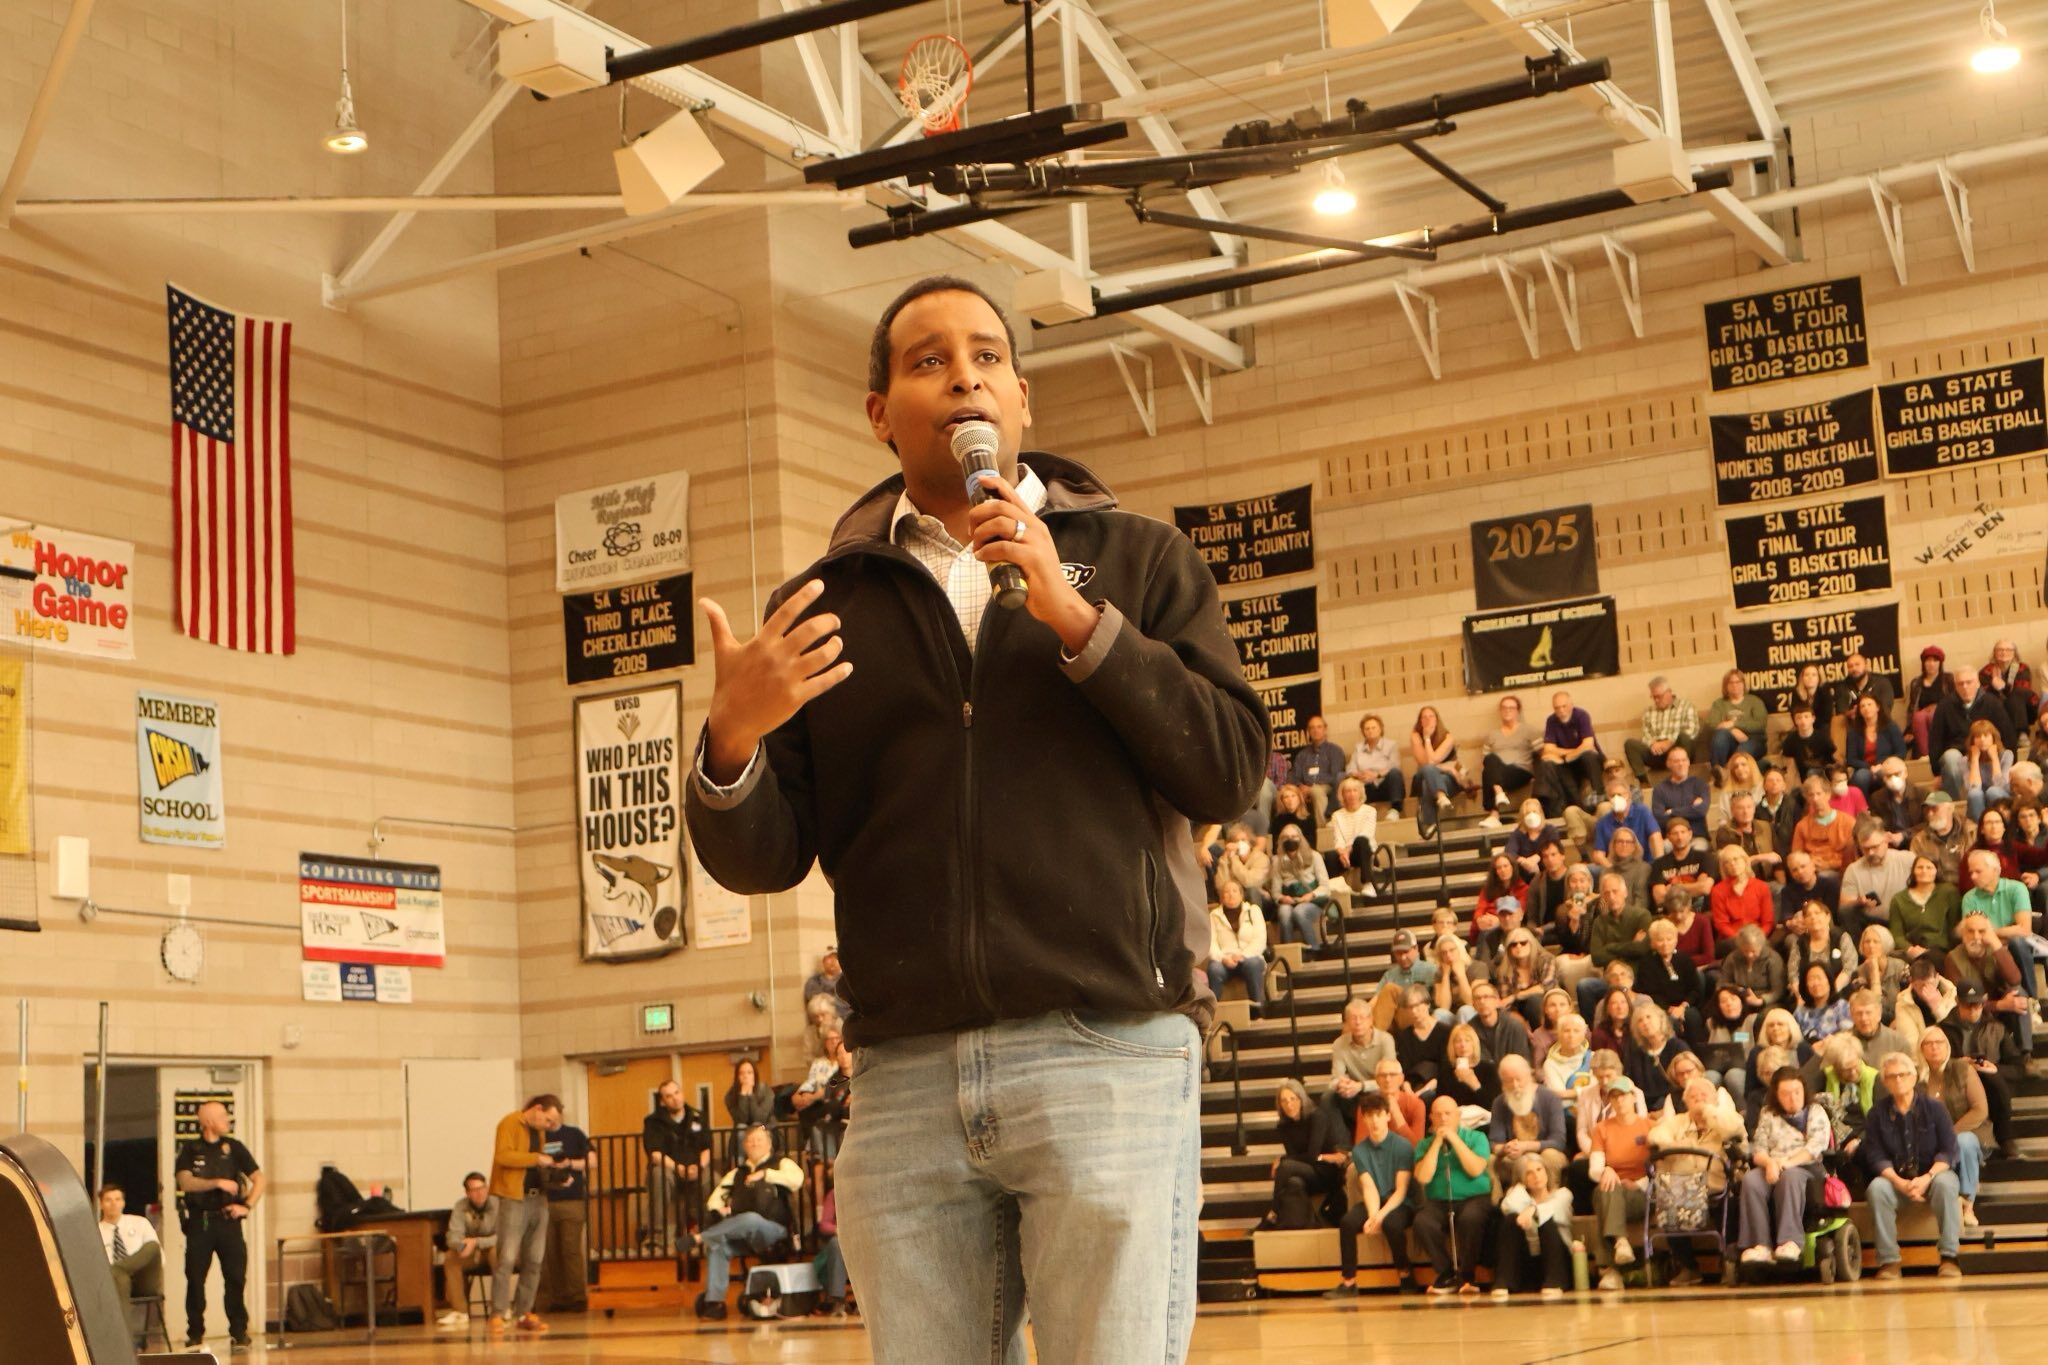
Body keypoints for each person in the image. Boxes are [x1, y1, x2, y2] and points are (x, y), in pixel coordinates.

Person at [686, 278, 1269, 1359]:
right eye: (928, 360)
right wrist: (731, 742)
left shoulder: (1139, 559)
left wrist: (1077, 619)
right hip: (904, 1076)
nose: (964, 376)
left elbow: (1228, 769)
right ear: (879, 412)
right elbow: (764, 856)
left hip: (1105, 1047)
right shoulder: (823, 606)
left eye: (988, 356)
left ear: (1022, 400)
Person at [1864, 1052, 1965, 1280]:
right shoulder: (1876, 1114)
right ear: (1885, 1082)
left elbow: (1949, 1150)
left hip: (1932, 1176)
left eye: (1903, 1074)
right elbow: (1875, 1155)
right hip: (1897, 1180)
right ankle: (1889, 1261)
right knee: (1877, 1188)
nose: (1898, 1080)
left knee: (1947, 1183)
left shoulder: (1935, 1109)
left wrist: (1926, 1178)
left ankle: (1949, 1257)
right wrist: (1899, 1182)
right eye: (1892, 1076)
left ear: (1914, 1077)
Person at [171, 1100, 263, 1350]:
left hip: (228, 1222)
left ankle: (239, 1331)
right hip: (200, 1222)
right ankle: (195, 1332)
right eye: (223, 1116)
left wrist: (247, 1206)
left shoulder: (234, 1148)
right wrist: (218, 1183)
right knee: (195, 1278)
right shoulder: (190, 1150)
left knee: (235, 1277)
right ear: (209, 1122)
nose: (227, 1120)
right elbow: (186, 1182)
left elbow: (259, 1179)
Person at [694, 1124, 804, 1319]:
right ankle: (714, 1302)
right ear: (744, 1146)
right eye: (750, 1141)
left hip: (775, 1230)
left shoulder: (782, 1163)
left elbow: (797, 1180)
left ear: (769, 1144)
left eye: (759, 1140)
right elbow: (715, 1199)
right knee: (717, 1245)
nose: (754, 1144)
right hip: (744, 1235)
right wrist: (718, 1210)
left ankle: (700, 1237)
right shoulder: (737, 1173)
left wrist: (766, 1174)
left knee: (751, 1219)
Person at [1325, 1092, 1419, 1297]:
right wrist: (1373, 1215)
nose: (1374, 1120)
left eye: (1378, 1114)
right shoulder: (1360, 1150)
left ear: (1387, 1116)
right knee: (1348, 1222)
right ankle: (1349, 1281)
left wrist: (1380, 1217)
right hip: (1375, 1200)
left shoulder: (1402, 1146)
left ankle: (1405, 1274)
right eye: (1369, 1115)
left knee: (1392, 1224)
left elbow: (1401, 1190)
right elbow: (1369, 1187)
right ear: (1364, 1119)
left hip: (1400, 1202)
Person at [1735, 1068, 1829, 1265]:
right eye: (1785, 1094)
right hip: (1773, 1164)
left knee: (1790, 1177)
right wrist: (1770, 1163)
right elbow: (1759, 1149)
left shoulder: (1815, 1111)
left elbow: (1815, 1147)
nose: (1792, 1098)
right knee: (1751, 1180)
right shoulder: (1768, 1114)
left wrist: (1785, 1164)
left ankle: (1790, 1241)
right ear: (1776, 1095)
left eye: (1797, 1092)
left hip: (1804, 1166)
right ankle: (1760, 1245)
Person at [486, 1095, 562, 1336]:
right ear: (537, 1109)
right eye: (548, 1120)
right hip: (513, 1198)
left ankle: (523, 1312)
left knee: (535, 1259)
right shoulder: (510, 1123)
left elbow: (537, 1164)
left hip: (538, 1198)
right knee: (507, 1257)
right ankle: (498, 1313)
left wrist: (554, 1173)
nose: (548, 1126)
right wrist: (535, 1158)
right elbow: (503, 1156)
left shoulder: (539, 1132)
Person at [1412, 1096, 1493, 1295]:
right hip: (1438, 1201)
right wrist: (1437, 1143)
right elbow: (1423, 1177)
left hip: (1474, 1198)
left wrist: (1454, 1140)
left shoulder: (1477, 1138)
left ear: (1458, 1116)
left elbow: (1475, 1169)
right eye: (1438, 1114)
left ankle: (1467, 1273)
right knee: (1423, 1222)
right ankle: (1445, 1272)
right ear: (1431, 1118)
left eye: (1448, 1114)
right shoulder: (1424, 1145)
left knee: (1471, 1218)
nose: (1443, 1118)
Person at [1585, 1078, 1655, 1289]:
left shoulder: (1649, 1127)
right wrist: (1606, 1170)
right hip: (1612, 1187)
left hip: (1640, 1193)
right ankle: (1621, 1242)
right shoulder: (1601, 1129)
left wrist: (1640, 1183)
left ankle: (1609, 1270)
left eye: (1623, 1095)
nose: (1619, 1101)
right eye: (1614, 1097)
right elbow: (1595, 1168)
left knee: (1604, 1199)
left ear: (1633, 1097)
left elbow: (1661, 1167)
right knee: (1607, 1189)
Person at [1918, 1027, 1988, 1228]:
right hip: (1932, 1140)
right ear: (1921, 1049)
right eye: (1929, 1043)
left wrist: (1950, 1134)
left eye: (1939, 1042)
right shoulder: (1917, 1078)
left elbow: (1980, 1110)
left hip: (1967, 1133)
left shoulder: (1962, 1069)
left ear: (1947, 1046)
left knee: (1963, 1141)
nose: (1934, 1047)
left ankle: (1968, 1205)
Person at [1941, 981, 2021, 1155]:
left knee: (1993, 1079)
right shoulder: (1944, 1030)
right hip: (1957, 1082)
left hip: (1990, 1082)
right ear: (1957, 1002)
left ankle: (2004, 1137)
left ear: (1983, 1003)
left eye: (1977, 1005)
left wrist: (1994, 1068)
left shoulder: (1996, 1028)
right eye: (1967, 1005)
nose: (1972, 1010)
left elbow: (2017, 1068)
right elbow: (1934, 1063)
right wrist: (1958, 1063)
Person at [1960, 846, 2040, 1007]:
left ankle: (2032, 1000)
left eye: (1978, 871)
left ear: (1995, 870)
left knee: (2017, 942)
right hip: (1987, 949)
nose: (1973, 876)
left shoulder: (2016, 888)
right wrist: (2004, 933)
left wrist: (1989, 932)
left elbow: (2024, 929)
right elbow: (1971, 934)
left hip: (2016, 946)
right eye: (1971, 872)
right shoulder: (1969, 898)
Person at [1492, 1153, 1575, 1300]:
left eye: (1539, 1169)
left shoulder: (1563, 1194)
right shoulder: (1520, 1197)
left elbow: (1553, 1209)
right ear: (1522, 1179)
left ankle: (1555, 1282)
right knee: (1511, 1220)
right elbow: (1507, 1207)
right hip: (1530, 1259)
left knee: (1546, 1222)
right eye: (1529, 1173)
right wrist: (1518, 1188)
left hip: (1557, 1259)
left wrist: (1533, 1209)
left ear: (1546, 1172)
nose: (1536, 1176)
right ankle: (1504, 1281)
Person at [642, 1080, 711, 1257]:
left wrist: (699, 1167)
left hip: (695, 1168)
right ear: (663, 1101)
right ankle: (656, 1236)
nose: (675, 1098)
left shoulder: (698, 1116)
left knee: (714, 1180)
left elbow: (706, 1149)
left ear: (682, 1093)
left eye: (677, 1093)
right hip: (669, 1169)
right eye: (669, 1096)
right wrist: (678, 1168)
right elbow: (655, 1154)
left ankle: (707, 1232)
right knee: (658, 1175)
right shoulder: (653, 1121)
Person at [1268, 1080, 1348, 1229]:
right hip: (1306, 1170)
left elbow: (1311, 1155)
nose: (1289, 1104)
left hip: (1326, 1171)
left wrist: (1283, 1159)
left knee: (1285, 1166)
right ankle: (1298, 1223)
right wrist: (1286, 1159)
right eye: (1284, 1101)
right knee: (1293, 1182)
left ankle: (1273, 1212)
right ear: (1279, 1105)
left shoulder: (1317, 1116)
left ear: (1301, 1099)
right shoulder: (1283, 1126)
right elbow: (1295, 1156)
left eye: (1293, 1099)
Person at [535, 1108, 591, 1316]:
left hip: (571, 1199)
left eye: (551, 1116)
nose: (548, 1121)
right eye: (545, 1117)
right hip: (545, 1200)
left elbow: (592, 1161)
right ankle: (557, 1298)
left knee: (570, 1249)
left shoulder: (574, 1134)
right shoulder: (539, 1138)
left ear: (559, 1113)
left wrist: (569, 1163)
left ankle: (577, 1296)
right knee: (550, 1252)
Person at [1488, 1055, 1569, 1189]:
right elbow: (1494, 1143)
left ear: (1529, 1075)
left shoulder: (1550, 1098)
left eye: (1518, 1079)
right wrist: (1506, 1148)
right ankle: (1500, 1200)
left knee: (1551, 1156)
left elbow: (1558, 1141)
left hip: (1543, 1153)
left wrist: (1526, 1146)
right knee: (1490, 1160)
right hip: (1514, 1156)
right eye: (1509, 1081)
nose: (1515, 1085)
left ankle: (1550, 1196)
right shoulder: (1499, 1103)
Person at [1935, 669, 2015, 800]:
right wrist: (1936, 772)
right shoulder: (1944, 706)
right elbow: (1936, 739)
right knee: (1950, 757)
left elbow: (2007, 733)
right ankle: (1955, 802)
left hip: (1988, 753)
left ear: (1978, 683)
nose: (1965, 687)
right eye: (1960, 683)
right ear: (1955, 686)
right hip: (1959, 754)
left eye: (1969, 682)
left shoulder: (1992, 702)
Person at [1324, 997, 1396, 1132]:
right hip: (1353, 1092)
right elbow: (1335, 1078)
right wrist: (1341, 1084)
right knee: (1328, 1097)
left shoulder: (1386, 1040)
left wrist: (1361, 1086)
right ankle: (1342, 1141)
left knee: (1381, 1093)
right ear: (1347, 1022)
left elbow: (1391, 1078)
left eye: (1362, 1018)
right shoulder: (1339, 1044)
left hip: (1378, 1090)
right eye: (1353, 1018)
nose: (1358, 1022)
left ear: (1371, 1020)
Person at [1839, 817, 1919, 936]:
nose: (1871, 853)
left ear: (1886, 840)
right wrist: (1859, 902)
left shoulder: (1907, 859)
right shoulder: (1853, 870)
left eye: (1875, 847)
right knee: (1846, 911)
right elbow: (1845, 904)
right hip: (1873, 923)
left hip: (1906, 920)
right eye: (1865, 849)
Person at [440, 1172, 497, 1324]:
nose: (480, 1193)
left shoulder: (498, 1204)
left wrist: (476, 1242)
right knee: (451, 1257)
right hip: (471, 1253)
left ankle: (500, 1308)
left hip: (492, 1249)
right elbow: (453, 1234)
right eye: (474, 1190)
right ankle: (460, 1311)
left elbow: (504, 1237)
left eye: (482, 1188)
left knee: (497, 1253)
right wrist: (461, 1245)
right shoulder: (461, 1206)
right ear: (467, 1193)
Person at [1624, 676, 1701, 784]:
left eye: (1659, 697)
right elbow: (1646, 735)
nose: (1656, 700)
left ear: (1669, 693)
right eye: (1653, 697)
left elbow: (1692, 731)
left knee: (1684, 737)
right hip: (1657, 752)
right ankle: (1644, 782)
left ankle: (1683, 775)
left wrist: (1669, 742)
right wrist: (1652, 744)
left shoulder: (1686, 706)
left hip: (1677, 749)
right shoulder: (1649, 712)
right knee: (1630, 744)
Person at [1538, 691, 1604, 816]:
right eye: (1557, 708)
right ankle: (1559, 807)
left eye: (1564, 706)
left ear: (1571, 705)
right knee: (1547, 763)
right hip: (1567, 762)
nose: (1561, 711)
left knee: (1589, 755)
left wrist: (1565, 755)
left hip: (1586, 761)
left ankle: (1600, 795)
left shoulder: (1581, 715)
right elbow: (1548, 749)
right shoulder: (1551, 720)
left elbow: (1588, 744)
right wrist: (1570, 755)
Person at [1269, 827, 1332, 956]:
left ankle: (1314, 948)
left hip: (1313, 901)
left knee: (1300, 911)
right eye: (1286, 837)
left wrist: (1311, 895)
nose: (1290, 840)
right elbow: (1275, 892)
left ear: (1300, 838)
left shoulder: (1314, 856)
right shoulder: (1277, 861)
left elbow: (1325, 886)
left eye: (1294, 836)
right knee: (1284, 911)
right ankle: (1288, 953)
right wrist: (1282, 898)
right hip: (1291, 900)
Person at [97, 1185, 162, 1309]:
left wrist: (121, 1267)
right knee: (120, 1277)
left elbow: (159, 1257)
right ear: (101, 1204)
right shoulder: (95, 1231)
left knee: (153, 1246)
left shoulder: (140, 1223)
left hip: (143, 1279)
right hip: (113, 1281)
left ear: (123, 1203)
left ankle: (118, 1268)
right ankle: (123, 1325)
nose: (113, 1204)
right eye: (108, 1200)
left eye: (117, 1199)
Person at [1479, 695, 1539, 828]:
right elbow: (1485, 761)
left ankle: (1494, 811)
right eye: (1504, 708)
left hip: (1521, 771)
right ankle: (1497, 800)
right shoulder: (1492, 735)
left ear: (1518, 711)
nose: (1507, 710)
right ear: (1500, 711)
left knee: (1490, 768)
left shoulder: (1529, 730)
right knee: (1489, 760)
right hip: (1500, 773)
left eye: (1511, 708)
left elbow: (1542, 753)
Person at [1411, 705, 1465, 835]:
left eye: (1431, 716)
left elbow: (1433, 760)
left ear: (1437, 719)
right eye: (1424, 717)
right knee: (1427, 771)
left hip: (1446, 780)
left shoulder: (1448, 737)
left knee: (1427, 784)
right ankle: (1441, 796)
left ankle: (1430, 824)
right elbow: (1427, 763)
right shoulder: (1415, 736)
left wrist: (1427, 740)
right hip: (1423, 775)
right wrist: (1426, 738)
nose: (1428, 720)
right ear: (1420, 721)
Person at [1706, 669, 1769, 773]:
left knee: (1741, 753)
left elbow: (1760, 724)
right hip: (1729, 743)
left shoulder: (1755, 701)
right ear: (1725, 686)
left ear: (1743, 684)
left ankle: (1729, 774)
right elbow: (1712, 724)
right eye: (1731, 683)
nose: (1735, 685)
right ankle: (1718, 774)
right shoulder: (1719, 704)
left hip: (1754, 741)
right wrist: (1733, 730)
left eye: (1738, 682)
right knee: (1720, 736)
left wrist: (1734, 723)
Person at [1791, 772, 1855, 873]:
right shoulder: (1802, 826)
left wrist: (1830, 864)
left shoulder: (1848, 822)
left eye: (1819, 794)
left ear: (1828, 794)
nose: (1815, 799)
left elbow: (1854, 855)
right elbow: (1796, 855)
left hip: (1842, 870)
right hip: (1812, 871)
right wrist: (1810, 863)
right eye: (1811, 795)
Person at [1591, 777, 1663, 866]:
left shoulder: (1642, 812)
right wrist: (1612, 869)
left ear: (1628, 795)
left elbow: (1655, 836)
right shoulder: (1602, 823)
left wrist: (1659, 864)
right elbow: (1598, 855)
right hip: (1616, 867)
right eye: (1612, 796)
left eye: (1619, 795)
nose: (1616, 798)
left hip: (1644, 864)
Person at [1842, 693, 1906, 794]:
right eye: (1863, 706)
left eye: (1869, 704)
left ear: (1877, 707)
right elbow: (1851, 759)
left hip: (1886, 766)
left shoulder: (1891, 727)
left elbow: (1901, 752)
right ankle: (1863, 804)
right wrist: (1870, 767)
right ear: (1859, 711)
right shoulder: (1853, 732)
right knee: (1861, 777)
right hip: (1864, 768)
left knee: (1887, 774)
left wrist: (1882, 765)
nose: (1866, 708)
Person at [1291, 713, 1347, 825]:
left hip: (1328, 786)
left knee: (1316, 791)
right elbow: (1295, 775)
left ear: (1325, 729)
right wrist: (1300, 786)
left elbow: (1335, 775)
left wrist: (1312, 785)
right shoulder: (1302, 754)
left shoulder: (1335, 750)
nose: (1315, 730)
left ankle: (1322, 827)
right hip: (1305, 788)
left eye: (1319, 727)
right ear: (1308, 731)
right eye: (1312, 728)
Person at [1711, 845, 1775, 943]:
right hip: (1731, 940)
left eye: (1735, 859)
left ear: (1745, 860)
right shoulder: (1718, 890)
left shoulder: (1761, 887)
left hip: (1758, 937)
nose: (1732, 864)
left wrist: (1757, 938)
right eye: (1727, 862)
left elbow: (1767, 922)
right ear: (1724, 867)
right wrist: (1741, 940)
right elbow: (1721, 924)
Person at [1649, 817, 1714, 911]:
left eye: (1683, 832)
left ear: (1690, 834)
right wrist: (1694, 887)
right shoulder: (1659, 864)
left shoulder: (1704, 858)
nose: (1679, 837)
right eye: (1675, 833)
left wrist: (1674, 887)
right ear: (1668, 837)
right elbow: (1659, 898)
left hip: (1699, 912)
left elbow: (1704, 888)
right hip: (1672, 913)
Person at [1324, 777, 1379, 890]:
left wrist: (1347, 850)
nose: (1352, 794)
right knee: (1330, 855)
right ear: (1343, 795)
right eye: (1348, 791)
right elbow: (1338, 839)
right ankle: (1336, 888)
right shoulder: (1337, 815)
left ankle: (1368, 884)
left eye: (1355, 790)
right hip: (1347, 855)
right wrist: (1342, 852)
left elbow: (1366, 834)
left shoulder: (1370, 811)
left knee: (1361, 841)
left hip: (1365, 852)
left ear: (1360, 793)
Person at [1721, 925, 1787, 1014]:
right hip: (1739, 999)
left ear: (1761, 946)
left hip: (1767, 1002)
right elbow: (1723, 983)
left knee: (1763, 1016)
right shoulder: (1733, 958)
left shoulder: (1773, 959)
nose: (1749, 955)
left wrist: (1760, 1001)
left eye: (1753, 951)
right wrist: (1734, 991)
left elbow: (1778, 990)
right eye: (1745, 951)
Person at [1980, 639, 2037, 739]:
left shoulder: (2022, 668)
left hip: (2023, 709)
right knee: (1989, 699)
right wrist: (1993, 687)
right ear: (1994, 653)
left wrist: (2003, 687)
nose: (2004, 652)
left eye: (2008, 650)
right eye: (2000, 650)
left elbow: (2022, 689)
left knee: (2017, 694)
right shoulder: (1986, 671)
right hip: (1998, 707)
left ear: (2014, 653)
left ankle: (2021, 734)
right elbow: (1982, 693)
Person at [1349, 713, 1405, 813]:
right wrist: (1360, 775)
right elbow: (1350, 769)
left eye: (1373, 728)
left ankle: (1395, 809)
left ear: (1380, 729)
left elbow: (1395, 765)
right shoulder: (1358, 748)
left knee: (1395, 773)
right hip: (1366, 786)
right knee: (1347, 780)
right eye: (1367, 728)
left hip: (1385, 785)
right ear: (1363, 731)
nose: (1370, 731)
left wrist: (1376, 774)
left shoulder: (1391, 745)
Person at [1436, 1023, 1501, 1109]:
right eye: (1458, 1041)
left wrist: (1475, 1084)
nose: (1463, 1045)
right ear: (1452, 1046)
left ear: (1474, 1044)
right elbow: (1440, 1105)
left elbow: (1494, 1106)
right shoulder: (1445, 1073)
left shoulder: (1489, 1069)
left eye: (1467, 1040)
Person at [1960, 719, 2015, 820]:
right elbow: (1972, 787)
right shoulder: (1964, 761)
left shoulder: (2006, 755)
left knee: (1992, 791)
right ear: (1972, 740)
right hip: (1978, 802)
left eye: (1986, 735)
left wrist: (1994, 758)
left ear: (1993, 738)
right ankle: (1980, 826)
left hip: (2001, 797)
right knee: (1975, 794)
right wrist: (1975, 759)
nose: (1982, 740)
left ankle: (2001, 823)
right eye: (1978, 736)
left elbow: (2001, 785)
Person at [1908, 645, 1956, 759]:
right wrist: (1909, 730)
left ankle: (1937, 752)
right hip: (1922, 715)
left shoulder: (1948, 679)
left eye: (1935, 661)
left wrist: (1936, 708)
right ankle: (1926, 755)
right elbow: (1912, 707)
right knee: (1918, 717)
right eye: (1928, 660)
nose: (1931, 664)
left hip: (1942, 712)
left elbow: (1953, 701)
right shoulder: (1916, 683)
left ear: (1940, 663)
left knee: (1932, 716)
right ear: (1923, 663)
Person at [1855, 926, 1910, 1021]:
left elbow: (1910, 1000)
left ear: (1885, 944)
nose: (1871, 946)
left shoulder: (1900, 967)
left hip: (1901, 1018)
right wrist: (1874, 973)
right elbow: (1875, 1007)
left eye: (1876, 942)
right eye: (1867, 942)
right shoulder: (1859, 972)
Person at [1650, 748, 1710, 835]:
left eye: (1684, 760)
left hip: (1697, 835)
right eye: (1676, 761)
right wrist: (1691, 809)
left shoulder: (1700, 784)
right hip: (1671, 838)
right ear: (1668, 764)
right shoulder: (1660, 789)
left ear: (1688, 762)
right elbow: (1660, 818)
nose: (1681, 764)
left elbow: (1701, 810)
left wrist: (1672, 812)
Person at [1846, 985, 1910, 1066]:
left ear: (1879, 1014)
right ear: (1851, 1015)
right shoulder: (1842, 1042)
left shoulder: (1898, 1042)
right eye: (1859, 1013)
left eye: (1868, 1013)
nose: (1864, 1018)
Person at [1374, 1057, 1430, 1145]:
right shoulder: (1368, 1105)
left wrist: (1396, 1114)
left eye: (1392, 1075)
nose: (1387, 1079)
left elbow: (1417, 1146)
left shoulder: (1416, 1104)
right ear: (1376, 1080)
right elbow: (1362, 1143)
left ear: (1401, 1078)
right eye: (1383, 1075)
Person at [1778, 703, 1836, 781]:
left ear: (1813, 719)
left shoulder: (1823, 737)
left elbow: (1832, 758)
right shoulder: (1791, 739)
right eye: (1799, 718)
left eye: (1806, 717)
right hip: (1800, 775)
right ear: (1795, 721)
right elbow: (1786, 759)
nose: (1803, 721)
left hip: (1822, 772)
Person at [1758, 765, 1805, 859]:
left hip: (1790, 854)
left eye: (1778, 780)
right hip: (1766, 855)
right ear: (1764, 786)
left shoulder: (1794, 806)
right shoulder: (1757, 809)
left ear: (1784, 786)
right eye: (1770, 780)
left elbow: (1799, 833)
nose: (1774, 783)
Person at [724, 1058, 778, 1137]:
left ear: (754, 1075)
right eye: (741, 1073)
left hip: (766, 1128)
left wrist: (751, 1095)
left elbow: (759, 1119)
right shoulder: (730, 1096)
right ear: (737, 1077)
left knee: (757, 1126)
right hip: (743, 1132)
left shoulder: (766, 1091)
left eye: (749, 1072)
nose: (745, 1076)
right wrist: (743, 1095)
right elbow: (742, 1120)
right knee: (741, 1127)